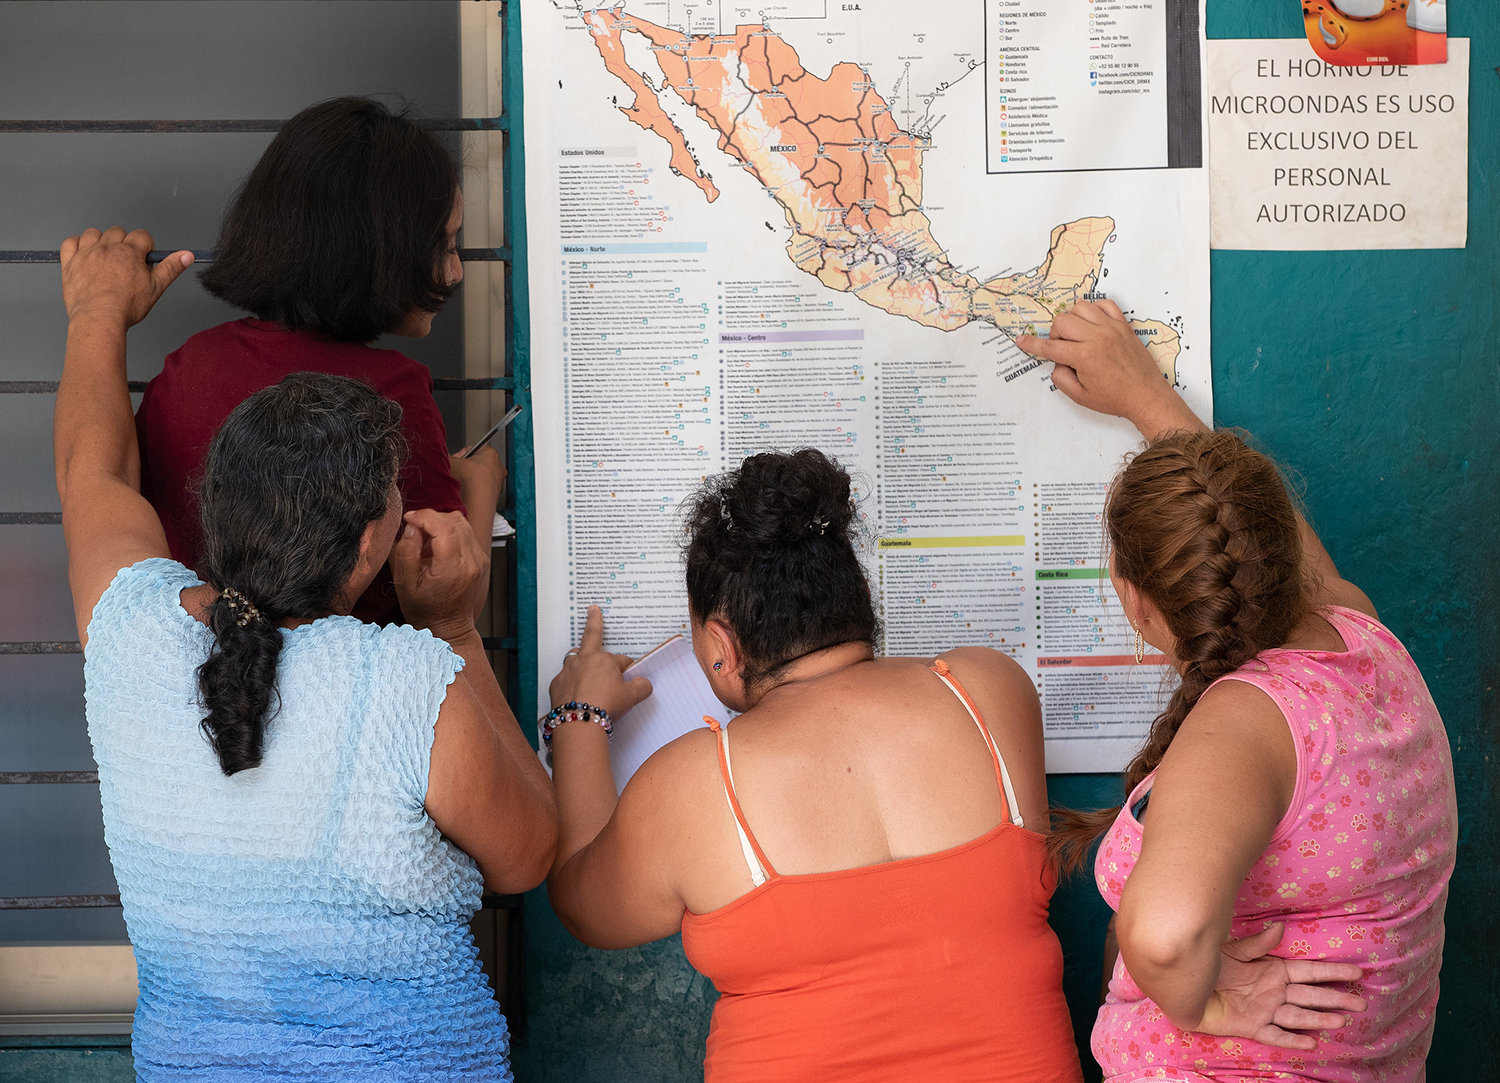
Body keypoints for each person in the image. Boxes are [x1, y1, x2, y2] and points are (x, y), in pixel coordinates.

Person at [55, 227, 556, 1079]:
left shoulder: (130, 632)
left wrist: (98, 311)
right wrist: (456, 630)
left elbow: (90, 474)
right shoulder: (407, 683)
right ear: (367, 548)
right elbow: (529, 853)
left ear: (214, 500)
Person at [543, 449, 1084, 1082]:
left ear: (720, 648)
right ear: (860, 597)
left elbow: (583, 906)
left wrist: (579, 718)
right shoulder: (989, 689)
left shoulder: (689, 782)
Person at [1020, 301, 1457, 1081]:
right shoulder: (1362, 635)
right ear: (1282, 547)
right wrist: (1144, 394)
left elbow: (1163, 936)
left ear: (1136, 600)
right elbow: (1261, 540)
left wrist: (1208, 1009)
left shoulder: (1245, 725)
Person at [135, 96, 502, 625]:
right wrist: (480, 486)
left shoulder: (188, 365)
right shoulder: (392, 391)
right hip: (345, 668)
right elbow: (447, 595)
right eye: (443, 245)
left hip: (200, 658)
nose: (456, 272)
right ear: (378, 252)